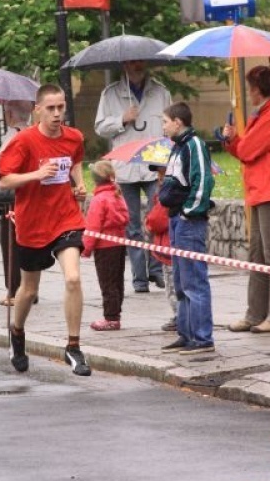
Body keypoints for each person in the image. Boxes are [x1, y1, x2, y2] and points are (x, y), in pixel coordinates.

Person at [0, 83, 91, 376]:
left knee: (73, 278)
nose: (56, 113)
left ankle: (73, 347)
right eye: (50, 108)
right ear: (37, 109)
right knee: (28, 290)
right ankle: (17, 332)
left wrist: (79, 183)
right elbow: (4, 181)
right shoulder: (23, 142)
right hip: (33, 223)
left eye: (61, 107)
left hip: (65, 217)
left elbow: (75, 161)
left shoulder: (74, 136)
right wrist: (37, 174)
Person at [222, 65, 270, 334]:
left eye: (251, 89)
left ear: (258, 89)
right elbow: (246, 148)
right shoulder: (265, 113)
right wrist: (232, 141)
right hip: (261, 190)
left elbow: (248, 149)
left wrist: (235, 142)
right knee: (257, 255)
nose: (249, 94)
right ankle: (255, 313)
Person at [94, 60, 172, 293]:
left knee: (158, 219)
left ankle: (157, 269)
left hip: (154, 164)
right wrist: (122, 119)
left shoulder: (160, 92)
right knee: (131, 225)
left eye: (141, 61)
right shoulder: (110, 94)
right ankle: (139, 278)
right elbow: (100, 126)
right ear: (125, 65)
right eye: (133, 62)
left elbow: (170, 124)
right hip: (125, 166)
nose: (138, 65)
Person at [157, 101, 216, 354]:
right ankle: (186, 332)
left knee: (194, 281)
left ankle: (202, 338)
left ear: (177, 122)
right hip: (175, 219)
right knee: (181, 282)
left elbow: (202, 180)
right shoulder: (178, 148)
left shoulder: (194, 145)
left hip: (187, 221)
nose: (163, 126)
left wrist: (188, 213)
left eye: (165, 121)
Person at [0, 99, 33, 307]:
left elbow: (2, 165)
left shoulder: (13, 135)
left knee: (11, 243)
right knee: (27, 243)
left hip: (13, 195)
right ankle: (29, 288)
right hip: (29, 193)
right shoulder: (33, 133)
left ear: (10, 114)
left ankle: (14, 290)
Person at [82, 160, 129, 331]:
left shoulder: (99, 199)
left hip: (104, 247)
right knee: (117, 281)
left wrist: (86, 248)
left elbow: (93, 226)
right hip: (120, 243)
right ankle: (115, 313)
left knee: (107, 282)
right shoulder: (117, 195)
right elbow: (126, 218)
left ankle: (111, 317)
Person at [146, 164, 177, 332]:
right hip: (166, 249)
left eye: (162, 175)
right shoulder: (162, 196)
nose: (159, 179)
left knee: (172, 286)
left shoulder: (166, 198)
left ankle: (179, 316)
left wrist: (148, 223)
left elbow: (156, 221)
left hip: (168, 250)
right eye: (158, 175)